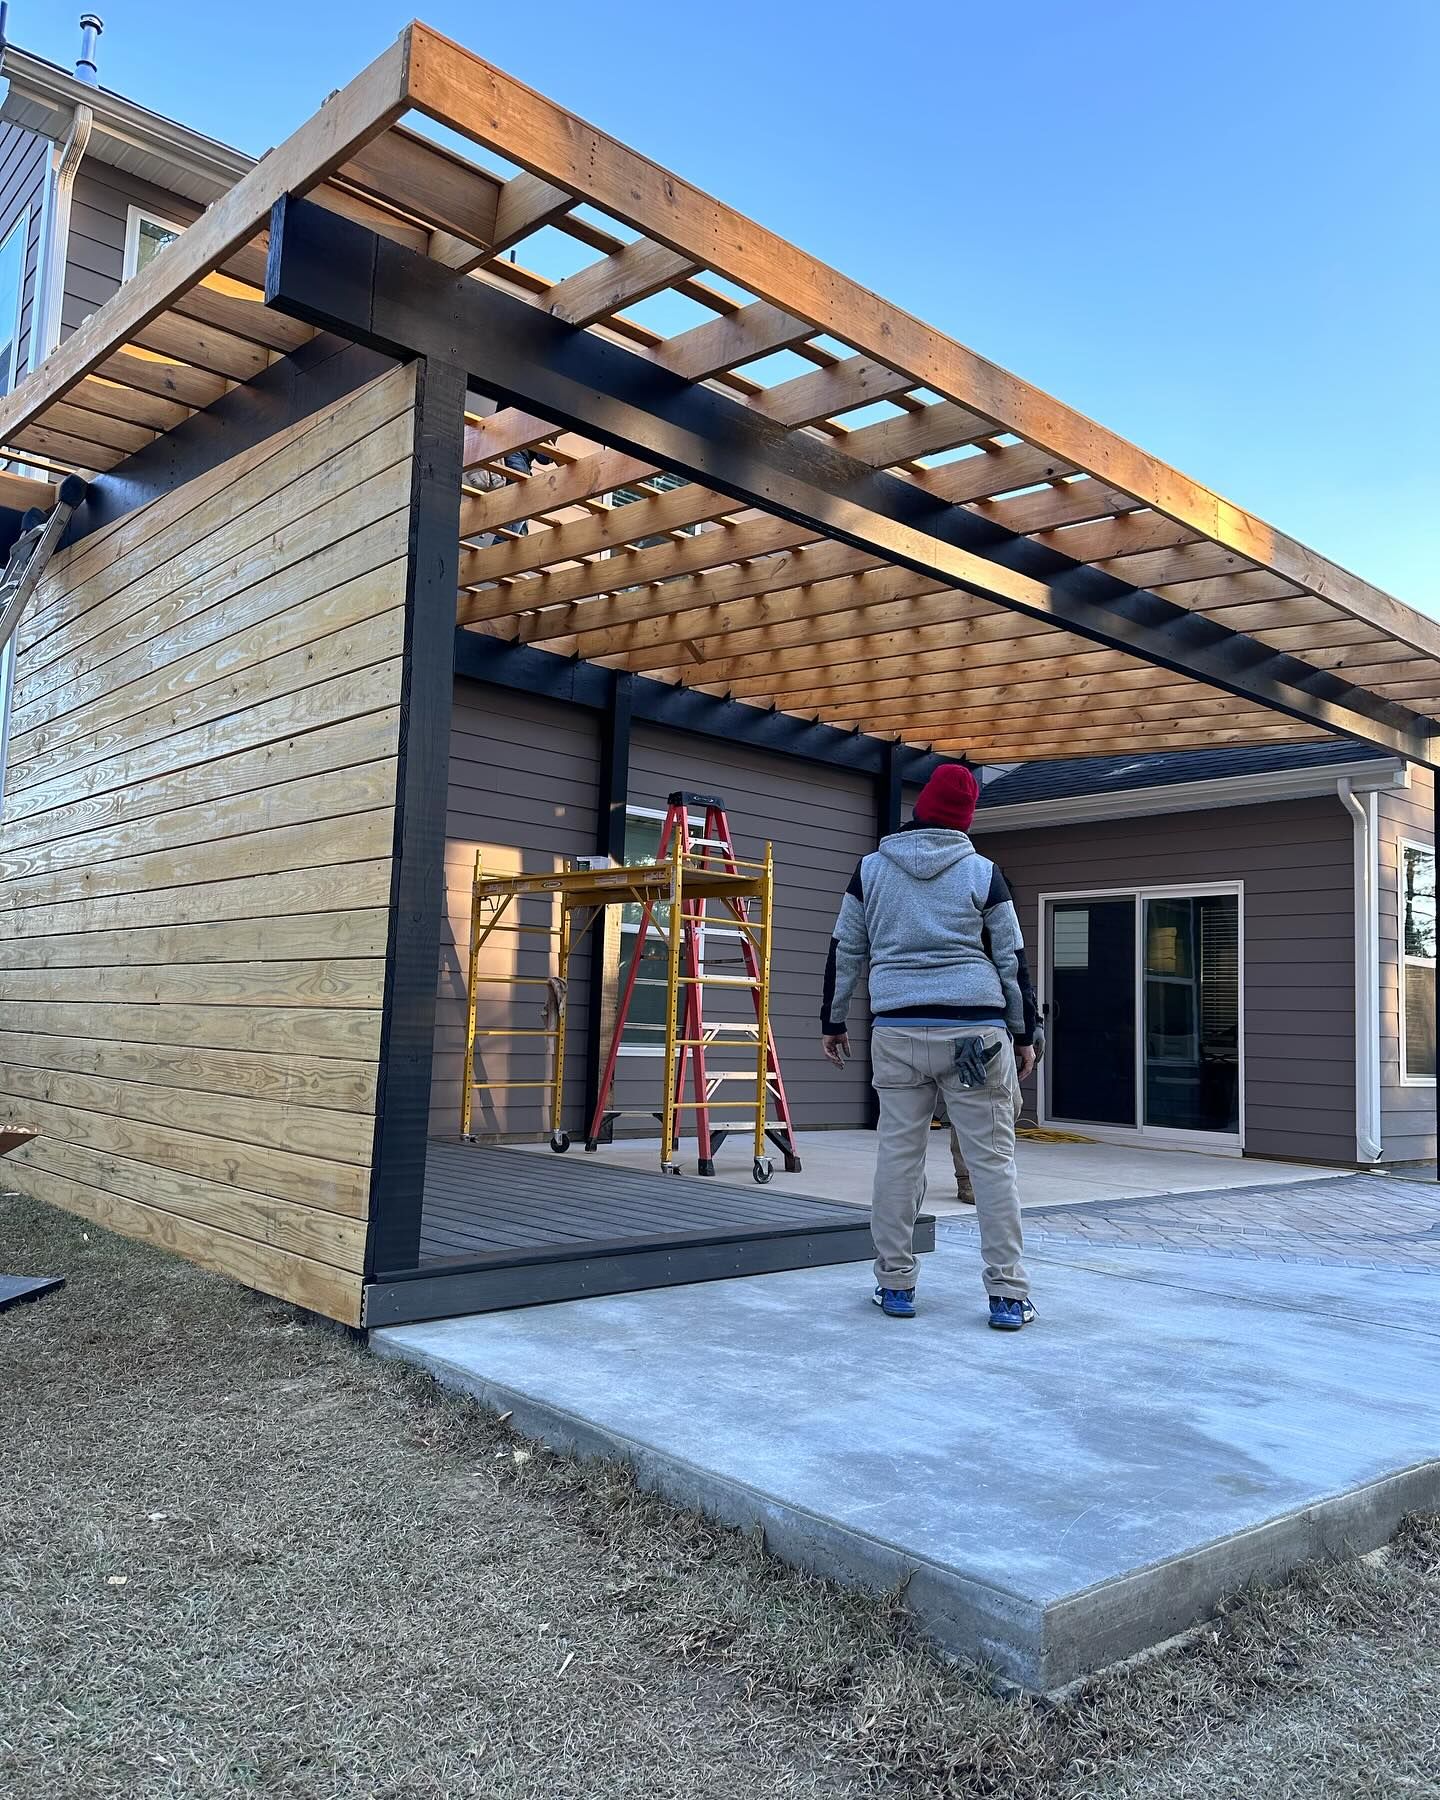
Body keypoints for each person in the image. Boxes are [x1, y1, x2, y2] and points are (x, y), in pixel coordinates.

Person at [820, 763, 1039, 1328]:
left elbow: (845, 947)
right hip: (974, 1035)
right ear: (965, 819)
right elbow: (1010, 957)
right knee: (992, 1165)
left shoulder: (870, 871)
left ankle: (895, 1286)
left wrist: (834, 1019)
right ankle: (1008, 1296)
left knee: (898, 1158)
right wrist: (1024, 1031)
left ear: (920, 810)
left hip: (897, 1029)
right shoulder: (983, 872)